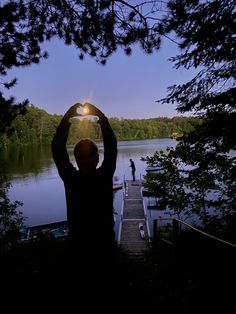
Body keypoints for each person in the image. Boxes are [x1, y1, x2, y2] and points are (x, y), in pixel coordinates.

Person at [51, 102, 118, 276]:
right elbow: (57, 149)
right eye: (81, 157)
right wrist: (67, 118)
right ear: (76, 160)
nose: (86, 160)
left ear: (97, 159)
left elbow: (111, 147)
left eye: (89, 157)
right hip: (78, 246)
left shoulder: (102, 175)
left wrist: (101, 118)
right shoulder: (71, 178)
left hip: (104, 246)